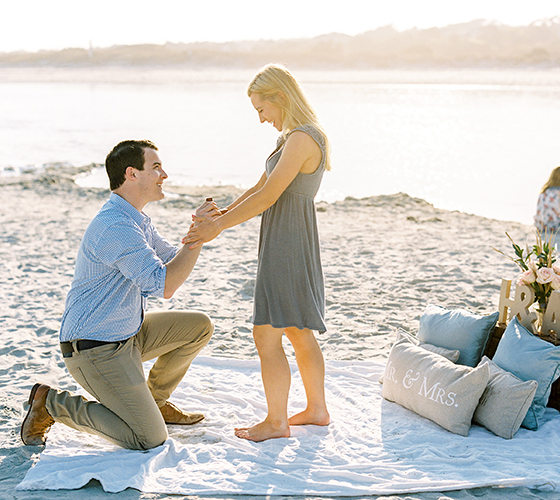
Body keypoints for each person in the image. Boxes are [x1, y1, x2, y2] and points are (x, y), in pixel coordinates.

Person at [21, 140, 214, 450]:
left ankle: (154, 401)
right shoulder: (115, 226)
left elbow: (170, 258)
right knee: (148, 438)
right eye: (156, 167)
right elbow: (164, 285)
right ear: (131, 174)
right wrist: (200, 237)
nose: (164, 174)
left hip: (127, 336)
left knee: (198, 327)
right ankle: (52, 404)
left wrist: (199, 230)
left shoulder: (136, 220)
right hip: (95, 351)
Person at [183, 64, 331, 442]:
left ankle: (276, 422)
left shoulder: (302, 138)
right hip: (287, 237)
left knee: (266, 335)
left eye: (262, 109)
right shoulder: (290, 140)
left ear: (281, 97)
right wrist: (222, 216)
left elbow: (269, 197)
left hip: (289, 240)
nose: (261, 119)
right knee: (297, 329)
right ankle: (316, 410)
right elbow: (259, 186)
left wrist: (219, 227)